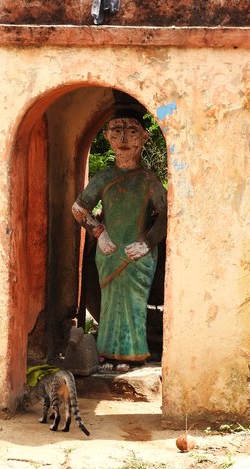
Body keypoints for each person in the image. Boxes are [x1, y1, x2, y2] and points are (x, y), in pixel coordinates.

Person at [72, 110, 167, 367]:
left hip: (139, 254)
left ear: (144, 138)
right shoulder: (104, 177)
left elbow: (166, 215)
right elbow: (79, 209)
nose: (123, 137)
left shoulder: (149, 179)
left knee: (135, 305)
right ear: (107, 137)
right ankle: (107, 352)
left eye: (132, 131)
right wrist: (99, 233)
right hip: (110, 251)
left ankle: (134, 353)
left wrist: (146, 243)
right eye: (116, 131)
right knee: (110, 305)